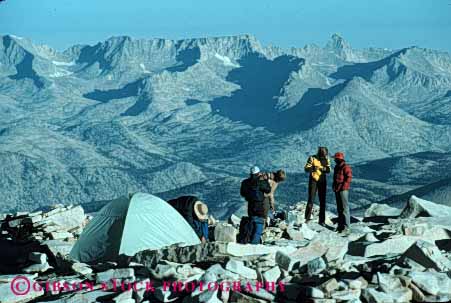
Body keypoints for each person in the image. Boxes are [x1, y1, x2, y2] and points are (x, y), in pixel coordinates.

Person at [240, 166, 272, 244]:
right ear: (258, 173)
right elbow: (268, 190)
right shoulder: (261, 182)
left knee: (252, 221)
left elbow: (242, 193)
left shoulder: (245, 182)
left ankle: (248, 239)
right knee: (259, 223)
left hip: (250, 204)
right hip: (259, 205)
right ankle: (255, 242)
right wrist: (266, 180)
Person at [304, 147, 331, 225]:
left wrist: (324, 169)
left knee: (322, 201)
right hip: (313, 181)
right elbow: (306, 169)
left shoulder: (327, 159)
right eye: (323, 153)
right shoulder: (312, 158)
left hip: (322, 181)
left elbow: (329, 170)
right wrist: (313, 168)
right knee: (311, 199)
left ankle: (322, 220)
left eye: (325, 154)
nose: (324, 155)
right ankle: (307, 218)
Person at [332, 152, 353, 233]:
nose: (334, 160)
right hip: (337, 189)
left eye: (335, 158)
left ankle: (347, 227)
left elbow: (349, 177)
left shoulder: (345, 167)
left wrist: (343, 187)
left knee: (344, 208)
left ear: (338, 159)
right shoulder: (337, 167)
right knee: (339, 208)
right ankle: (340, 226)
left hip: (343, 190)